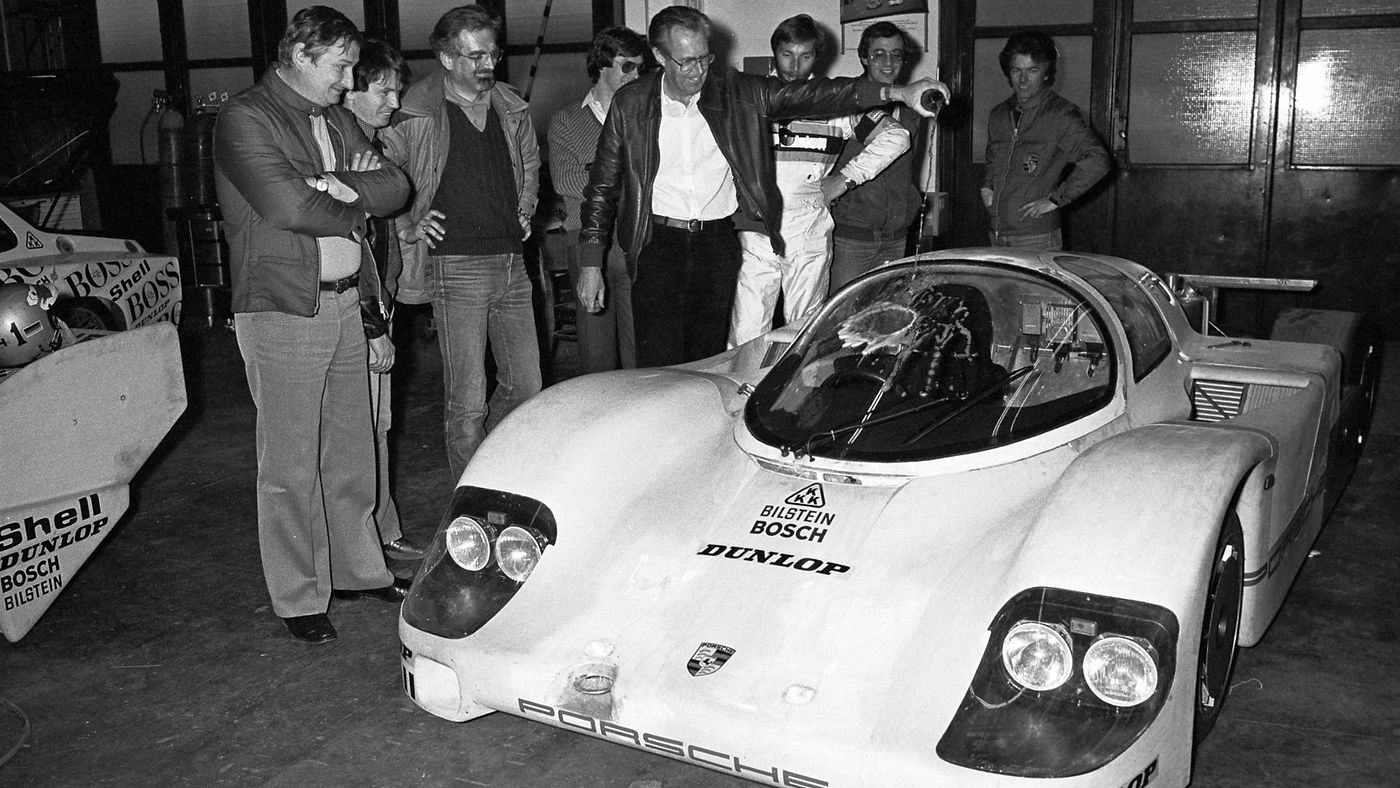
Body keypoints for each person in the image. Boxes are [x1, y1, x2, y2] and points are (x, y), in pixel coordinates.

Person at [577, 5, 946, 367]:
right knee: (657, 362)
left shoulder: (736, 92)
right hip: (656, 244)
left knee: (712, 359)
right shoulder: (631, 103)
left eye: (704, 59)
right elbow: (602, 187)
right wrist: (592, 264)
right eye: (685, 61)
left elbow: (815, 95)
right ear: (659, 55)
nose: (697, 72)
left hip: (717, 244)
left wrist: (896, 94)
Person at [213, 5, 412, 644]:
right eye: (342, 65)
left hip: (347, 301)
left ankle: (357, 570)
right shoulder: (245, 117)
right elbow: (287, 205)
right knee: (290, 462)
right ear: (301, 54)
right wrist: (344, 191)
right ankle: (299, 597)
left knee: (352, 451)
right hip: (282, 306)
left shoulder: (332, 120)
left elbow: (397, 186)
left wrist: (336, 182)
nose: (351, 81)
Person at [379, 4, 542, 481]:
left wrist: (526, 206)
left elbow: (530, 165)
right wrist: (409, 219)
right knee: (467, 400)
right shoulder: (414, 110)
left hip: (513, 261)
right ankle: (470, 508)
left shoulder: (511, 106)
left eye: (491, 53)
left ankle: (490, 467)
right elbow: (383, 174)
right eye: (474, 56)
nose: (486, 64)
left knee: (527, 385)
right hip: (456, 265)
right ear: (446, 58)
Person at [728, 14, 910, 348]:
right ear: (774, 54)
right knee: (747, 332)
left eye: (806, 56)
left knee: (803, 332)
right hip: (757, 228)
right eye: (787, 54)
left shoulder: (835, 102)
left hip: (809, 227)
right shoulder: (749, 99)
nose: (795, 66)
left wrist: (845, 179)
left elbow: (896, 137)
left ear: (817, 57)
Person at [341, 39, 424, 562]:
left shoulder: (380, 150)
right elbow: (357, 248)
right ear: (349, 92)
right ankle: (365, 543)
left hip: (383, 300)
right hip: (357, 309)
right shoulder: (347, 157)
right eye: (384, 91)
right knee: (359, 428)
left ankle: (383, 528)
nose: (394, 102)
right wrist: (373, 324)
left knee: (380, 423)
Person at [547, 26, 646, 373]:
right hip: (587, 242)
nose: (636, 74)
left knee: (641, 354)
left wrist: (599, 173)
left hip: (636, 238)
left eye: (639, 66)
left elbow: (653, 178)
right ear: (603, 65)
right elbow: (565, 180)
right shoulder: (566, 120)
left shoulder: (644, 117)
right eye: (627, 66)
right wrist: (625, 177)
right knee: (597, 355)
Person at [981, 30, 1110, 250]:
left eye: (1032, 70)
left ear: (1046, 72)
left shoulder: (1061, 115)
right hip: (997, 232)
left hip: (1036, 237)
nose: (1023, 80)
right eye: (1016, 70)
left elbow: (1098, 160)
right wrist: (986, 185)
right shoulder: (999, 114)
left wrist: (1055, 200)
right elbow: (993, 157)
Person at [828, 22, 927, 294]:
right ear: (863, 58)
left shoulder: (911, 109)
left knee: (886, 318)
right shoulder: (847, 101)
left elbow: (907, 172)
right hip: (851, 237)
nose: (888, 62)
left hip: (895, 237)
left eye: (896, 54)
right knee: (842, 317)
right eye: (879, 54)